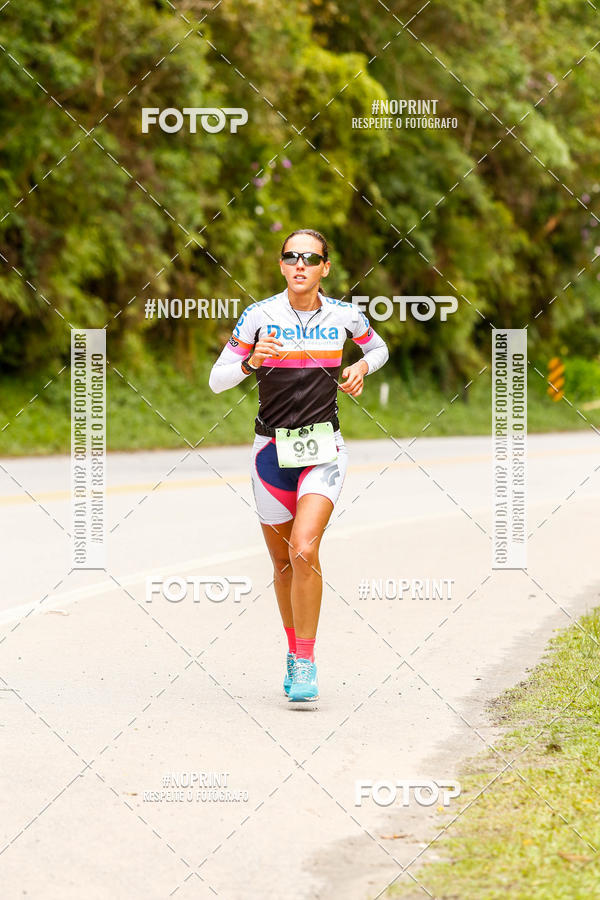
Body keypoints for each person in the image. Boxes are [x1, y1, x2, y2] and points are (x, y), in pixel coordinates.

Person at [209, 229, 388, 702]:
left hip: (323, 449)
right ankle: (293, 650)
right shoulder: (258, 316)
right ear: (282, 265)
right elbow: (216, 380)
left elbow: (378, 348)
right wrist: (250, 363)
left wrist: (361, 367)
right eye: (291, 257)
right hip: (270, 452)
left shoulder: (344, 316)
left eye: (310, 257)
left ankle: (306, 661)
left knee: (303, 550)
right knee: (282, 562)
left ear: (325, 267)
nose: (300, 264)